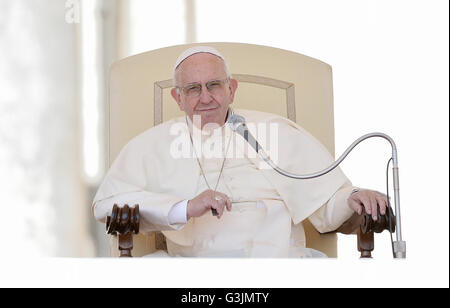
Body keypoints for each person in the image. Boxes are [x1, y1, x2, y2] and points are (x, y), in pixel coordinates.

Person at [92, 46, 388, 257]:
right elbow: (107, 205)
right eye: (193, 89)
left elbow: (327, 203)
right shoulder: (152, 145)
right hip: (193, 276)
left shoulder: (278, 131)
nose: (206, 97)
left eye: (214, 85)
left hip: (279, 269)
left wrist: (353, 197)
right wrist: (184, 207)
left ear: (231, 89)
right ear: (177, 97)